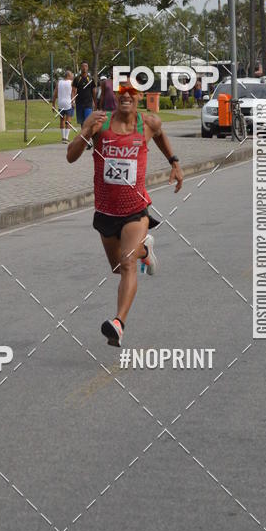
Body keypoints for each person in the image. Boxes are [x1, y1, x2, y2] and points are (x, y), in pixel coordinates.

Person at [67, 81, 183, 346]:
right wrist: (85, 129)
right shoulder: (99, 123)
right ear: (116, 98)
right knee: (119, 267)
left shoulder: (148, 123)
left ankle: (118, 323)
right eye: (122, 92)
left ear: (139, 97)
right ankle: (145, 250)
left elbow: (161, 135)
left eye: (132, 92)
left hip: (135, 209)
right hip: (106, 211)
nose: (127, 96)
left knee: (128, 263)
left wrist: (174, 163)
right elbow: (70, 157)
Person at [52, 69, 75, 144]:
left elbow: (55, 94)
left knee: (62, 120)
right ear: (68, 75)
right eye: (71, 74)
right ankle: (66, 138)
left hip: (60, 104)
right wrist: (73, 102)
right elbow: (73, 94)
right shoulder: (72, 83)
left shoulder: (59, 82)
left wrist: (53, 105)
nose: (72, 76)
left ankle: (63, 137)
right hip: (68, 104)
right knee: (68, 121)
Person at [73, 62, 96, 126]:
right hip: (79, 104)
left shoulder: (91, 79)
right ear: (81, 68)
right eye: (83, 66)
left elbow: (94, 92)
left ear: (88, 68)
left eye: (86, 66)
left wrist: (95, 103)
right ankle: (83, 135)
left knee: (88, 121)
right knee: (82, 123)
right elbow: (73, 91)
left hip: (88, 104)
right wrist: (73, 101)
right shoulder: (77, 79)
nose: (84, 68)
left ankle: (88, 135)